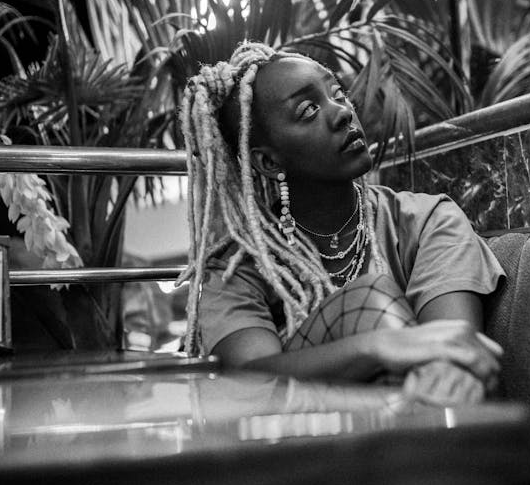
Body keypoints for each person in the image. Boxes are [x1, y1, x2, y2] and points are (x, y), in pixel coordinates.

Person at [179, 40, 504, 404]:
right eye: (307, 110)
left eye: (338, 94)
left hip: (422, 422)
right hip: (300, 446)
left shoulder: (428, 219)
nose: (342, 112)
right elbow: (248, 380)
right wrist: (377, 347)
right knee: (371, 296)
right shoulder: (236, 268)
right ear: (268, 162)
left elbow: (455, 355)